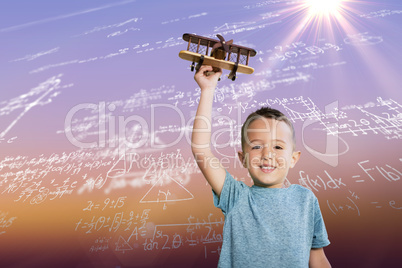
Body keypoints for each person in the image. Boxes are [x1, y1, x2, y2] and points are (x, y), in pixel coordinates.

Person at [191, 65, 331, 268]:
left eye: (277, 146)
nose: (267, 155)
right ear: (243, 158)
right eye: (256, 146)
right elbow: (201, 150)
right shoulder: (235, 197)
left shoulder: (306, 200)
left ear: (293, 158)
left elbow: (317, 259)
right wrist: (207, 89)